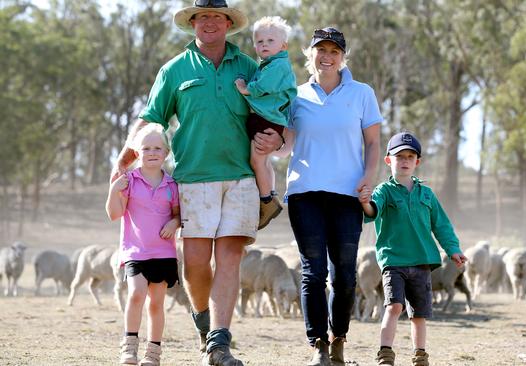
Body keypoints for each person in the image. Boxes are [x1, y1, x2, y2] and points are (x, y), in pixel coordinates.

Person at [110, 1, 283, 365]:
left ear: (227, 23)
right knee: (196, 264)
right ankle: (204, 325)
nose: (208, 22)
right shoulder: (174, 70)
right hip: (192, 180)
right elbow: (150, 120)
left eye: (216, 16)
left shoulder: (250, 67)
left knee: (230, 257)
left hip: (240, 179)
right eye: (202, 16)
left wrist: (278, 141)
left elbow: (277, 109)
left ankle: (219, 344)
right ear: (192, 23)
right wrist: (122, 161)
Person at [275, 27, 382, 366]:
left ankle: (339, 339)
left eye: (334, 51)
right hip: (305, 193)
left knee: (345, 275)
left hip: (348, 196)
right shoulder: (296, 95)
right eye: (320, 50)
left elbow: (374, 143)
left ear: (342, 57)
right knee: (313, 272)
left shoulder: (362, 93)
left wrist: (368, 178)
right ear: (311, 55)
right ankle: (318, 344)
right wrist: (267, 146)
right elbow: (287, 144)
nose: (327, 56)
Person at [357, 132, 468, 366]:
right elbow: (372, 212)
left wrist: (453, 250)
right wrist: (365, 203)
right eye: (399, 156)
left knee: (419, 314)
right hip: (393, 259)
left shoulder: (426, 194)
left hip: (421, 261)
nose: (405, 160)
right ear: (389, 160)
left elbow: (442, 225)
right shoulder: (384, 191)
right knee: (394, 306)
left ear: (417, 161)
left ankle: (420, 355)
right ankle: (385, 354)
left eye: (410, 156)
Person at [106, 123, 180, 366]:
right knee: (137, 293)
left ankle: (153, 354)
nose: (152, 152)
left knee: (157, 303)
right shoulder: (129, 181)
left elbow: (178, 214)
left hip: (163, 252)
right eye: (146, 148)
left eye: (157, 148)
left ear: (166, 153)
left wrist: (174, 223)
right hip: (135, 251)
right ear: (137, 153)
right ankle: (129, 348)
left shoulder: (172, 185)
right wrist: (113, 192)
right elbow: (114, 214)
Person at [234, 15, 297, 230]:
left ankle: (267, 201)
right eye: (260, 41)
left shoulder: (278, 66)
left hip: (267, 119)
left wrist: (246, 88)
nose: (264, 45)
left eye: (270, 41)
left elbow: (264, 86)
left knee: (257, 160)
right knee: (264, 160)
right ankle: (270, 193)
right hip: (265, 117)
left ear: (283, 45)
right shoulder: (269, 64)